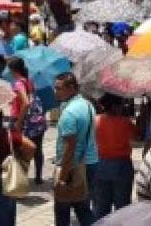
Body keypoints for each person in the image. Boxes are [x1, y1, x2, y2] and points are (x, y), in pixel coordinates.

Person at [53, 72, 98, 226]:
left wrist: (62, 178)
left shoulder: (69, 114)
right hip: (89, 162)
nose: (56, 92)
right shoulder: (87, 104)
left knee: (62, 212)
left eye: (59, 88)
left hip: (73, 167)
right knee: (83, 208)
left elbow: (69, 148)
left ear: (71, 88)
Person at [91, 94, 135, 219]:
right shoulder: (126, 122)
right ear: (116, 106)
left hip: (101, 165)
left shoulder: (96, 120)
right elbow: (138, 136)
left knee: (101, 207)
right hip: (122, 166)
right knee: (122, 207)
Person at [6, 57, 46, 186]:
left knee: (18, 152)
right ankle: (38, 177)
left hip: (21, 120)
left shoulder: (18, 83)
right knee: (37, 149)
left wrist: (18, 122)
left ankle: (19, 181)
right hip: (36, 121)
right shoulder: (29, 81)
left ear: (13, 70)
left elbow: (26, 103)